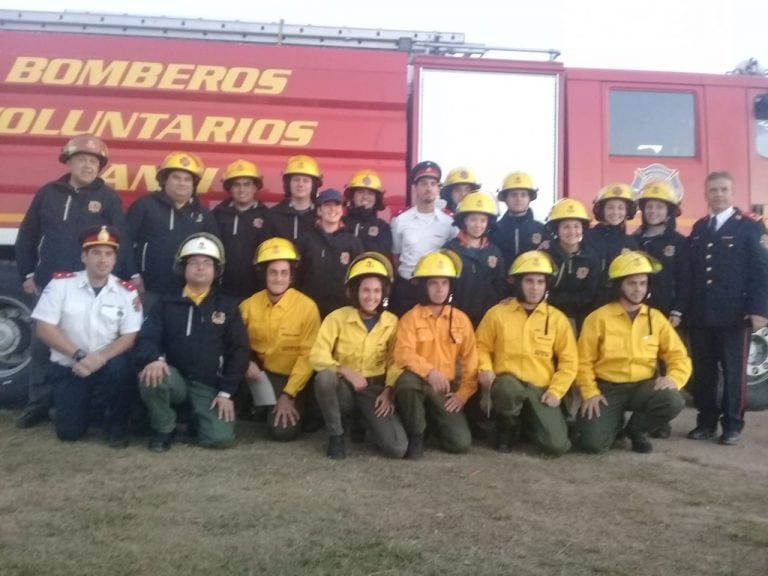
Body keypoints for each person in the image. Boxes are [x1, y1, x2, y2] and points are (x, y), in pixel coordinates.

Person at [15, 134, 136, 429]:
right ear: (69, 162)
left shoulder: (106, 197)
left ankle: (81, 405)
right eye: (81, 159)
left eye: (93, 161)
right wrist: (27, 274)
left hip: (89, 283)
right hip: (50, 284)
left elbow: (121, 239)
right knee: (43, 345)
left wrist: (129, 275)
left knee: (88, 339)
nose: (87, 165)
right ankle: (38, 405)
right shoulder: (48, 193)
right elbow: (28, 235)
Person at [29, 225, 142, 447]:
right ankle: (82, 410)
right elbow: (44, 328)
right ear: (84, 256)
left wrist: (98, 359)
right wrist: (80, 356)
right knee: (69, 433)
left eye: (108, 254)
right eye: (96, 253)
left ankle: (116, 426)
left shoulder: (126, 291)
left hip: (107, 364)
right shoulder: (61, 284)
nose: (103, 260)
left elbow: (129, 336)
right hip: (71, 366)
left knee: (122, 370)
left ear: (115, 259)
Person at [135, 233, 249, 451]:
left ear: (216, 270)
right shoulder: (165, 303)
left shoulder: (227, 307)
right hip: (173, 378)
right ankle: (164, 429)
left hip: (208, 385)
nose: (200, 268)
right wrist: (153, 359)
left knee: (220, 439)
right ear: (183, 268)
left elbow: (239, 351)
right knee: (151, 376)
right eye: (194, 262)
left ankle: (197, 419)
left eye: (207, 263)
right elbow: (147, 337)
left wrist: (226, 392)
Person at [575, 251, 691, 454]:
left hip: (643, 387)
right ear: (619, 285)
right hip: (607, 390)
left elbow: (678, 355)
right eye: (632, 283)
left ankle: (636, 430)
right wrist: (589, 392)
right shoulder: (598, 318)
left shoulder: (655, 318)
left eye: (642, 283)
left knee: (673, 400)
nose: (638, 289)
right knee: (591, 444)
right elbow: (582, 361)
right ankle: (612, 423)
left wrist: (674, 378)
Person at [686, 171, 768, 445]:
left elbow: (761, 271)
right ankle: (706, 421)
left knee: (734, 372)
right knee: (704, 372)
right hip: (701, 314)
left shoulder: (750, 227)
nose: (718, 194)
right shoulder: (699, 228)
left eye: (723, 189)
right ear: (705, 194)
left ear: (732, 193)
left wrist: (759, 309)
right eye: (713, 190)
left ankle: (732, 424)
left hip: (734, 313)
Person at [475, 251, 577, 455]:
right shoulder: (497, 313)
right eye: (529, 281)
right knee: (506, 388)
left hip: (541, 390)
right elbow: (481, 347)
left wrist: (556, 391)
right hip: (507, 384)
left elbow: (569, 362)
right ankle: (507, 428)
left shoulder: (557, 319)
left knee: (556, 447)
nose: (535, 287)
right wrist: (485, 368)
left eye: (540, 282)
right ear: (518, 283)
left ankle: (529, 425)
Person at [310, 252, 407, 459]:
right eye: (365, 290)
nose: (371, 297)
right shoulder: (336, 318)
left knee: (397, 448)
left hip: (374, 389)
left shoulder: (392, 322)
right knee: (324, 378)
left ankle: (361, 420)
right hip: (344, 386)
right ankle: (336, 434)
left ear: (383, 293)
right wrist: (344, 371)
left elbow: (395, 361)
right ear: (355, 291)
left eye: (376, 291)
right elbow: (317, 355)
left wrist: (389, 391)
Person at [394, 250, 478, 458]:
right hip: (420, 382)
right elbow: (403, 353)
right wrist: (429, 371)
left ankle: (434, 423)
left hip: (444, 389)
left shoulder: (460, 320)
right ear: (423, 286)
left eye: (444, 283)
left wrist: (463, 394)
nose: (440, 289)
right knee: (406, 380)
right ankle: (416, 434)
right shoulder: (410, 318)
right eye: (433, 283)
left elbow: (471, 360)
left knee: (460, 443)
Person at [239, 238, 321, 441]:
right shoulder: (248, 306)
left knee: (282, 432)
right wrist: (246, 361)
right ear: (264, 275)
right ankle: (254, 405)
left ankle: (271, 406)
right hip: (256, 373)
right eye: (273, 272)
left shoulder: (307, 307)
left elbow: (307, 357)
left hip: (289, 378)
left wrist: (288, 395)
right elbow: (234, 343)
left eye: (284, 273)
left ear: (291, 276)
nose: (278, 278)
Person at [126, 151, 219, 311]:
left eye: (187, 179)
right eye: (176, 177)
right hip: (148, 291)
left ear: (193, 184)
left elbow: (215, 254)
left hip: (186, 294)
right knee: (147, 335)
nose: (182, 183)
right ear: (164, 180)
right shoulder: (144, 206)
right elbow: (124, 243)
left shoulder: (203, 215)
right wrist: (133, 275)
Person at [389, 161, 456, 316]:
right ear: (416, 188)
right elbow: (396, 257)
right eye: (423, 183)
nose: (428, 188)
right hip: (407, 289)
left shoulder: (449, 223)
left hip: (436, 290)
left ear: (438, 189)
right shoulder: (400, 220)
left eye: (433, 184)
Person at [296, 188, 364, 318]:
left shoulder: (353, 242)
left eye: (337, 205)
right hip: (310, 311)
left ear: (342, 210)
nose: (332, 209)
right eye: (327, 205)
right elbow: (297, 276)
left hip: (343, 312)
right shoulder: (306, 240)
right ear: (319, 210)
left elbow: (359, 279)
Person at [443, 191, 506, 327]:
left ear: (488, 223)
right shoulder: (450, 250)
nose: (478, 225)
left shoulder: (494, 252)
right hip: (456, 319)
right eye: (473, 219)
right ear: (464, 220)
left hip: (487, 320)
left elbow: (500, 287)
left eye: (482, 220)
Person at [212, 159, 271, 301]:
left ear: (255, 187)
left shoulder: (267, 216)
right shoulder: (218, 214)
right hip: (222, 292)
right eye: (236, 185)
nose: (242, 189)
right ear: (229, 188)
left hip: (256, 293)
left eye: (247, 184)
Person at [633, 181, 690, 324]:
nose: (653, 211)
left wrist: (677, 311)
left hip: (668, 312)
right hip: (638, 311)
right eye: (649, 206)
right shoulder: (633, 241)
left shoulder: (679, 242)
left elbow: (685, 280)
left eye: (659, 207)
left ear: (668, 212)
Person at [543, 198, 602, 332]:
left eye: (576, 226)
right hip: (546, 316)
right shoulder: (545, 255)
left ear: (583, 228)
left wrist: (554, 298)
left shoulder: (591, 258)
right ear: (556, 229)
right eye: (566, 226)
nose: (572, 231)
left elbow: (590, 294)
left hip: (579, 318)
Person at [585, 183, 639, 305]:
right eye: (610, 207)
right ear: (601, 209)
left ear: (627, 211)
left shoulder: (631, 243)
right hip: (587, 305)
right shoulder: (587, 237)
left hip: (619, 306)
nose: (615, 212)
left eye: (621, 208)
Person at [489, 171, 549, 266]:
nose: (519, 199)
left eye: (523, 195)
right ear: (505, 198)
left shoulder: (543, 230)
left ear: (530, 198)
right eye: (514, 194)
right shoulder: (494, 230)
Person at [267, 154, 322, 242]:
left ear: (314, 185)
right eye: (296, 180)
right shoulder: (274, 215)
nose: (300, 184)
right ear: (288, 184)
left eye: (306, 180)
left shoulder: (321, 215)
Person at [342, 169, 393, 254]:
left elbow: (383, 254)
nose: (365, 197)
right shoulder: (341, 223)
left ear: (377, 199)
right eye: (360, 192)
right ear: (352, 196)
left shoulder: (383, 227)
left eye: (370, 193)